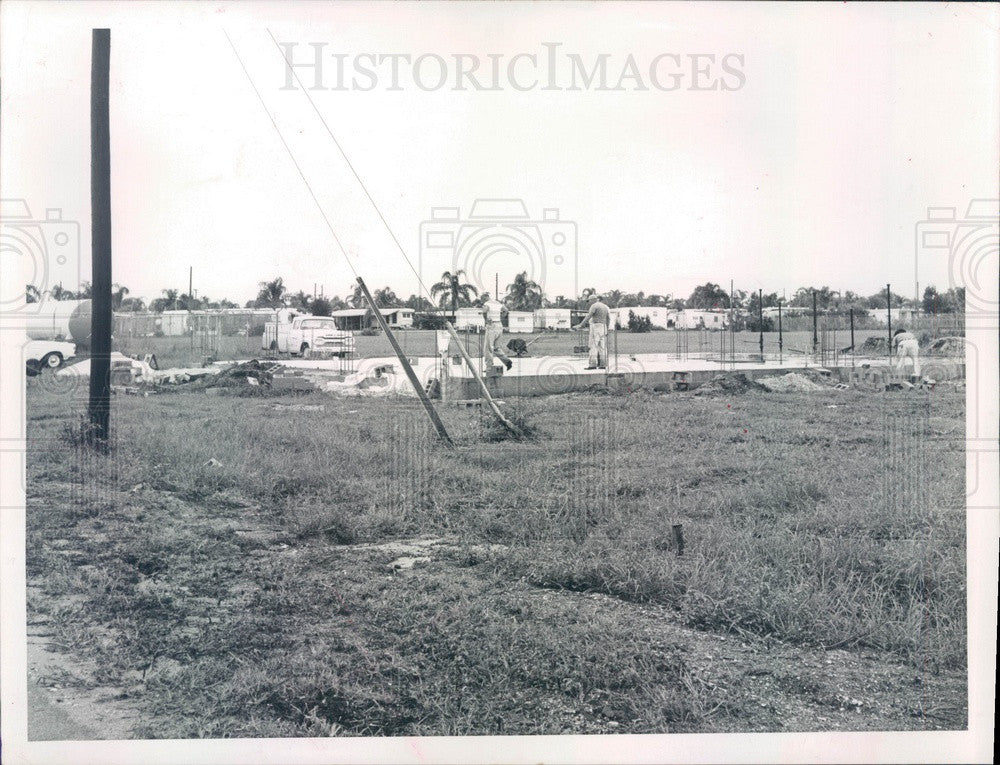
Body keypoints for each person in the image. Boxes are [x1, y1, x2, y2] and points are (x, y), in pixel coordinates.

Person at [572, 294, 610, 369]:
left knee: (593, 346)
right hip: (603, 326)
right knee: (602, 347)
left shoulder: (594, 306)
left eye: (589, 301)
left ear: (593, 300)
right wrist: (607, 328)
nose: (589, 302)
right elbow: (608, 318)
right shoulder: (605, 307)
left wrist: (581, 324)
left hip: (596, 326)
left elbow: (589, 316)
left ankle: (592, 364)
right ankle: (603, 364)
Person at [481, 297, 513, 371]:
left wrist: (486, 320)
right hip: (499, 325)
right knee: (496, 348)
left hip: (492, 325)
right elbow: (506, 310)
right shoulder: (498, 304)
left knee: (488, 348)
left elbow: (484, 311)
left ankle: (489, 367)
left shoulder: (487, 303)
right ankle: (507, 361)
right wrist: (501, 316)